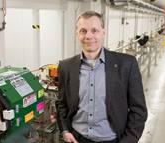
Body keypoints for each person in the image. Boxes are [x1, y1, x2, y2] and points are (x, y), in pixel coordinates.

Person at [56, 11, 147, 143]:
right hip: (77, 138)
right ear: (77, 34)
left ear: (103, 32)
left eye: (94, 30)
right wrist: (65, 130)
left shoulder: (127, 64)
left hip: (113, 140)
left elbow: (139, 111)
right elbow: (61, 104)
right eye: (83, 31)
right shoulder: (66, 67)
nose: (88, 36)